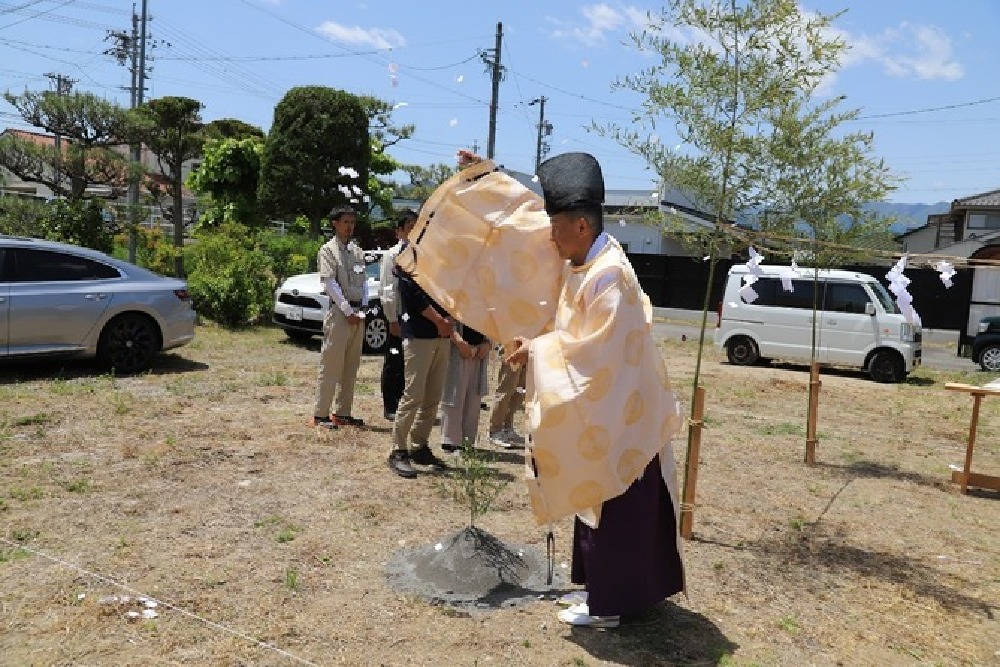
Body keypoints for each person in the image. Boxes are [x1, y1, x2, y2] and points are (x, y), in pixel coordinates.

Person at [503, 152, 685, 628]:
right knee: (600, 502)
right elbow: (574, 334)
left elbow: (595, 351)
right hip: (612, 405)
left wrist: (539, 352)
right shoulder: (587, 260)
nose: (549, 236)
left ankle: (613, 603)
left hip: (621, 412)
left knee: (616, 501)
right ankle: (611, 593)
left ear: (581, 226)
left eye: (556, 226)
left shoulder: (609, 275)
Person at [387, 262, 454, 478]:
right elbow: (412, 293)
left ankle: (419, 445)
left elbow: (453, 290)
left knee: (433, 396)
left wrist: (450, 319)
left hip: (441, 336)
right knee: (413, 394)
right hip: (418, 335)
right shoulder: (409, 259)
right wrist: (439, 320)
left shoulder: (443, 258)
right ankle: (398, 450)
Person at [310, 206, 368, 430]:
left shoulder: (356, 251)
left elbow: (362, 283)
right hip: (340, 313)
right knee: (331, 365)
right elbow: (329, 283)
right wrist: (347, 310)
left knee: (351, 366)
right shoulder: (328, 250)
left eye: (352, 222)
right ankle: (320, 414)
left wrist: (362, 307)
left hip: (357, 313)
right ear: (334, 223)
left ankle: (343, 412)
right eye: (345, 222)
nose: (350, 226)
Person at [379, 209, 418, 421]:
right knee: (394, 360)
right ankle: (390, 405)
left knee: (410, 362)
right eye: (410, 227)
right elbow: (387, 289)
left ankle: (405, 403)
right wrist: (391, 318)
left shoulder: (420, 255)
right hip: (398, 315)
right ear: (400, 231)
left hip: (415, 318)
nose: (414, 231)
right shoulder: (391, 256)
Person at [440, 320, 491, 454]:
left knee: (474, 397)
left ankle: (467, 442)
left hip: (480, 348)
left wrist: (489, 343)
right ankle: (450, 442)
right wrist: (458, 341)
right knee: (455, 392)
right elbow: (446, 318)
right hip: (457, 346)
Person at [487, 356, 526, 448]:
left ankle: (507, 427)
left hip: (528, 351)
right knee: (505, 390)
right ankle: (494, 430)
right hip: (512, 351)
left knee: (520, 391)